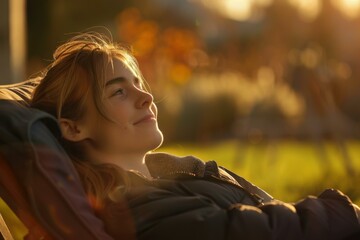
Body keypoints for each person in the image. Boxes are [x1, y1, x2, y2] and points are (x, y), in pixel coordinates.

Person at [28, 31, 359, 239]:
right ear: (73, 127)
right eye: (118, 93)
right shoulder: (133, 208)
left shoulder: (175, 173)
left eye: (139, 84)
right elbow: (255, 232)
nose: (146, 97)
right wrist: (343, 211)